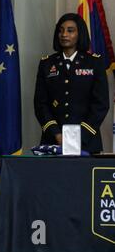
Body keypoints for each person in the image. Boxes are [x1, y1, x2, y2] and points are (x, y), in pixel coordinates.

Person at [34, 13, 109, 154]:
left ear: (79, 33)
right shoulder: (47, 63)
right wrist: (56, 134)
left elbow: (100, 104)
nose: (64, 34)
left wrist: (79, 136)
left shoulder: (94, 63)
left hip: (87, 142)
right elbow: (40, 104)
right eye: (61, 30)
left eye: (70, 30)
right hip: (53, 141)